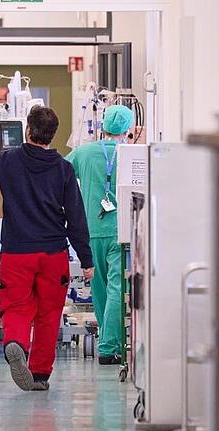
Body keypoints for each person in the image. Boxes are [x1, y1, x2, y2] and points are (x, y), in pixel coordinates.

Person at [0, 106, 94, 391]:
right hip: (53, 253)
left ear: (28, 130)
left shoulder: (7, 160)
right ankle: (39, 375)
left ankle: (15, 343)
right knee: (49, 313)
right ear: (52, 135)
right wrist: (86, 259)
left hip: (16, 251)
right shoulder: (63, 169)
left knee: (17, 305)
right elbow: (76, 218)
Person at [65, 105, 134, 365]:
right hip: (121, 231)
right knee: (117, 288)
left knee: (100, 288)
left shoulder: (82, 153)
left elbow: (59, 175)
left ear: (103, 126)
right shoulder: (131, 155)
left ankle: (107, 340)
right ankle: (108, 346)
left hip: (90, 230)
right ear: (128, 129)